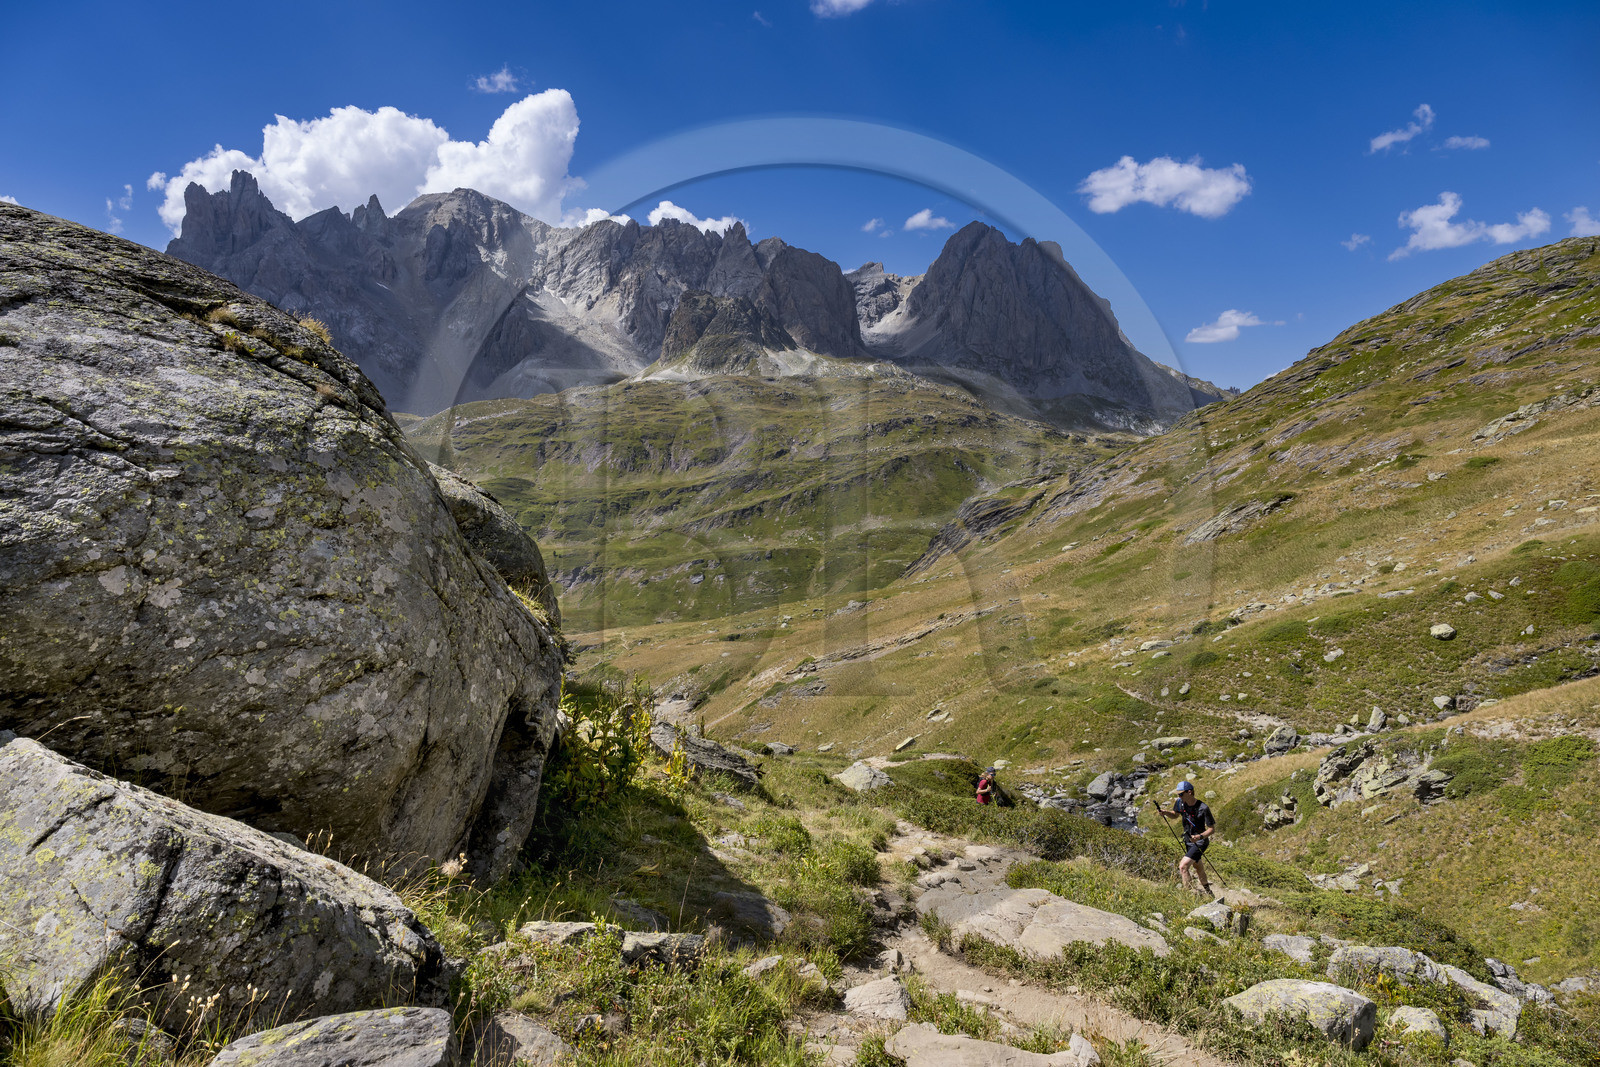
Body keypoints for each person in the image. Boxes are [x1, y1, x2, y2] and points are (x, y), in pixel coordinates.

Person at [1156, 781, 1215, 896]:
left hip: (1201, 841)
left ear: (1189, 792)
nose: (1179, 796)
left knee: (1183, 867)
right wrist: (1166, 813)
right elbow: (1175, 815)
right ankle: (1209, 892)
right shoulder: (1180, 803)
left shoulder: (1203, 808)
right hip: (1188, 840)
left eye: (1181, 794)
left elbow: (1212, 829)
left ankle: (1187, 895)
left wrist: (1199, 837)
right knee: (1198, 866)